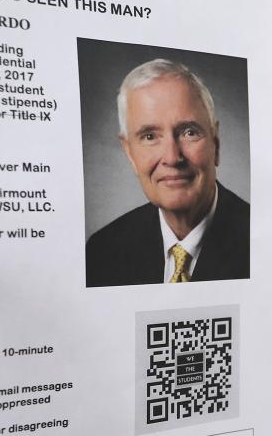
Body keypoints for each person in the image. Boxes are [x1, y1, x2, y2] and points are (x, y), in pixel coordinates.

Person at [85, 59, 249, 286]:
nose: (172, 157)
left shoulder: (260, 240)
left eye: (189, 132)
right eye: (150, 136)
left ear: (216, 143)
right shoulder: (102, 251)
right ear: (130, 153)